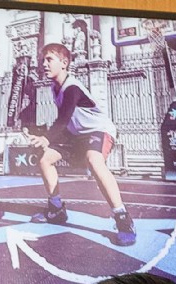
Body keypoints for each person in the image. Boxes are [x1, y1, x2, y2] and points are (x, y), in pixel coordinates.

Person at [28, 43, 136, 246]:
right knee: (45, 160)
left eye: (49, 59)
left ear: (64, 62)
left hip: (98, 130)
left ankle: (122, 217)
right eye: (43, 60)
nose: (44, 64)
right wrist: (45, 137)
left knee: (94, 161)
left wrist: (47, 138)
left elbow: (63, 118)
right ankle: (56, 209)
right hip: (75, 134)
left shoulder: (72, 87)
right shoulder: (55, 87)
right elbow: (64, 121)